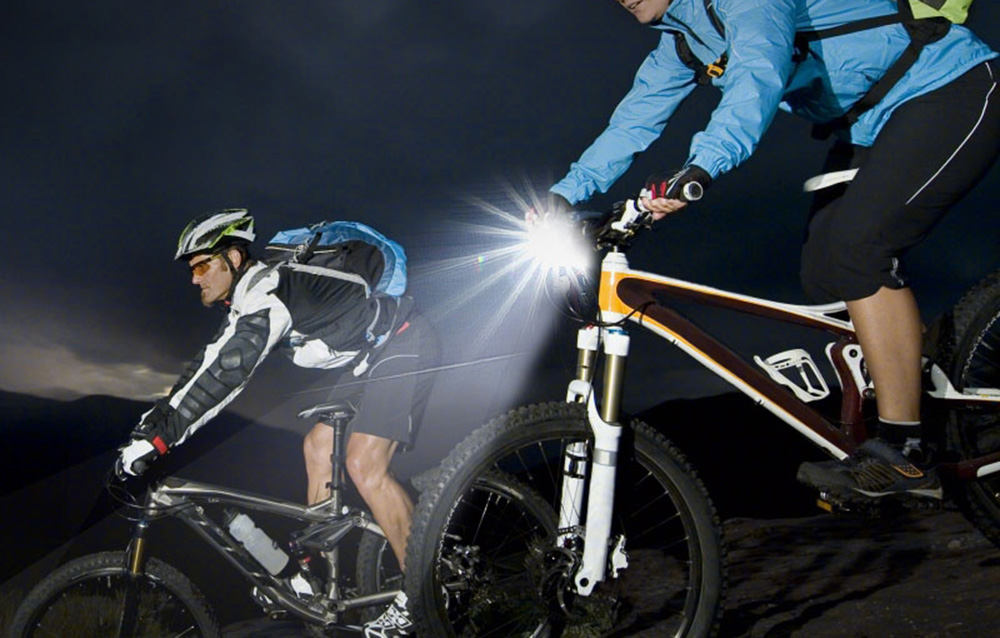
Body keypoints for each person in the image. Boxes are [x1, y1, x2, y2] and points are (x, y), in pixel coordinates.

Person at [550, 0, 999, 501]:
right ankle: (909, 377)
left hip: (949, 87)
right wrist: (563, 196)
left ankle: (905, 446)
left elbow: (756, 79)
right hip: (871, 123)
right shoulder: (681, 44)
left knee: (857, 254)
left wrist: (703, 166)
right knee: (822, 274)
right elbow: (632, 123)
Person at [117, 209, 437, 637]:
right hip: (364, 361)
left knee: (364, 464)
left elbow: (229, 372)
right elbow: (205, 366)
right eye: (191, 270)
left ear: (233, 258)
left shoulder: (270, 293)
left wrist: (160, 441)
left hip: (403, 341)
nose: (194, 278)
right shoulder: (249, 300)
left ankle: (423, 591)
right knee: (317, 449)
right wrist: (149, 428)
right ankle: (318, 581)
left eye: (202, 266)